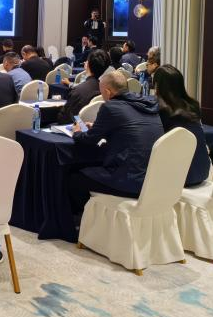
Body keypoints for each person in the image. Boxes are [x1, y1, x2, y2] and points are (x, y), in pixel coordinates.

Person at [68, 71, 164, 214]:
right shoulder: (148, 104)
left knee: (74, 178)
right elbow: (128, 128)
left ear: (107, 92)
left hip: (130, 180)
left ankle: (90, 219)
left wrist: (77, 132)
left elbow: (89, 140)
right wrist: (98, 127)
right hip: (153, 179)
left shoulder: (110, 107)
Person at [154, 65, 210, 186]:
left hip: (181, 176)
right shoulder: (193, 106)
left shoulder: (161, 111)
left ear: (157, 85)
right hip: (203, 171)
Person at [56, 49, 109, 124]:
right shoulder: (107, 91)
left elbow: (64, 118)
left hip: (76, 127)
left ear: (88, 65)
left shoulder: (78, 90)